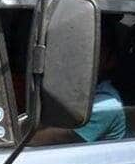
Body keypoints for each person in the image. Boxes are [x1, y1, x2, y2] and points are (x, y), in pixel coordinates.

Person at [30, 16, 127, 145]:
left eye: (90, 50)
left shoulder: (107, 104)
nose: (79, 56)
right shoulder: (73, 89)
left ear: (110, 60)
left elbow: (54, 137)